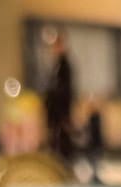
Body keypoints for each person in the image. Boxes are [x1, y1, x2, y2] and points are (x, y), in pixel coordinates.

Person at [42, 27, 75, 160]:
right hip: (55, 108)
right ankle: (58, 158)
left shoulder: (64, 64)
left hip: (60, 108)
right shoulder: (56, 64)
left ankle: (64, 161)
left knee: (62, 136)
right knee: (55, 136)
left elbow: (64, 88)